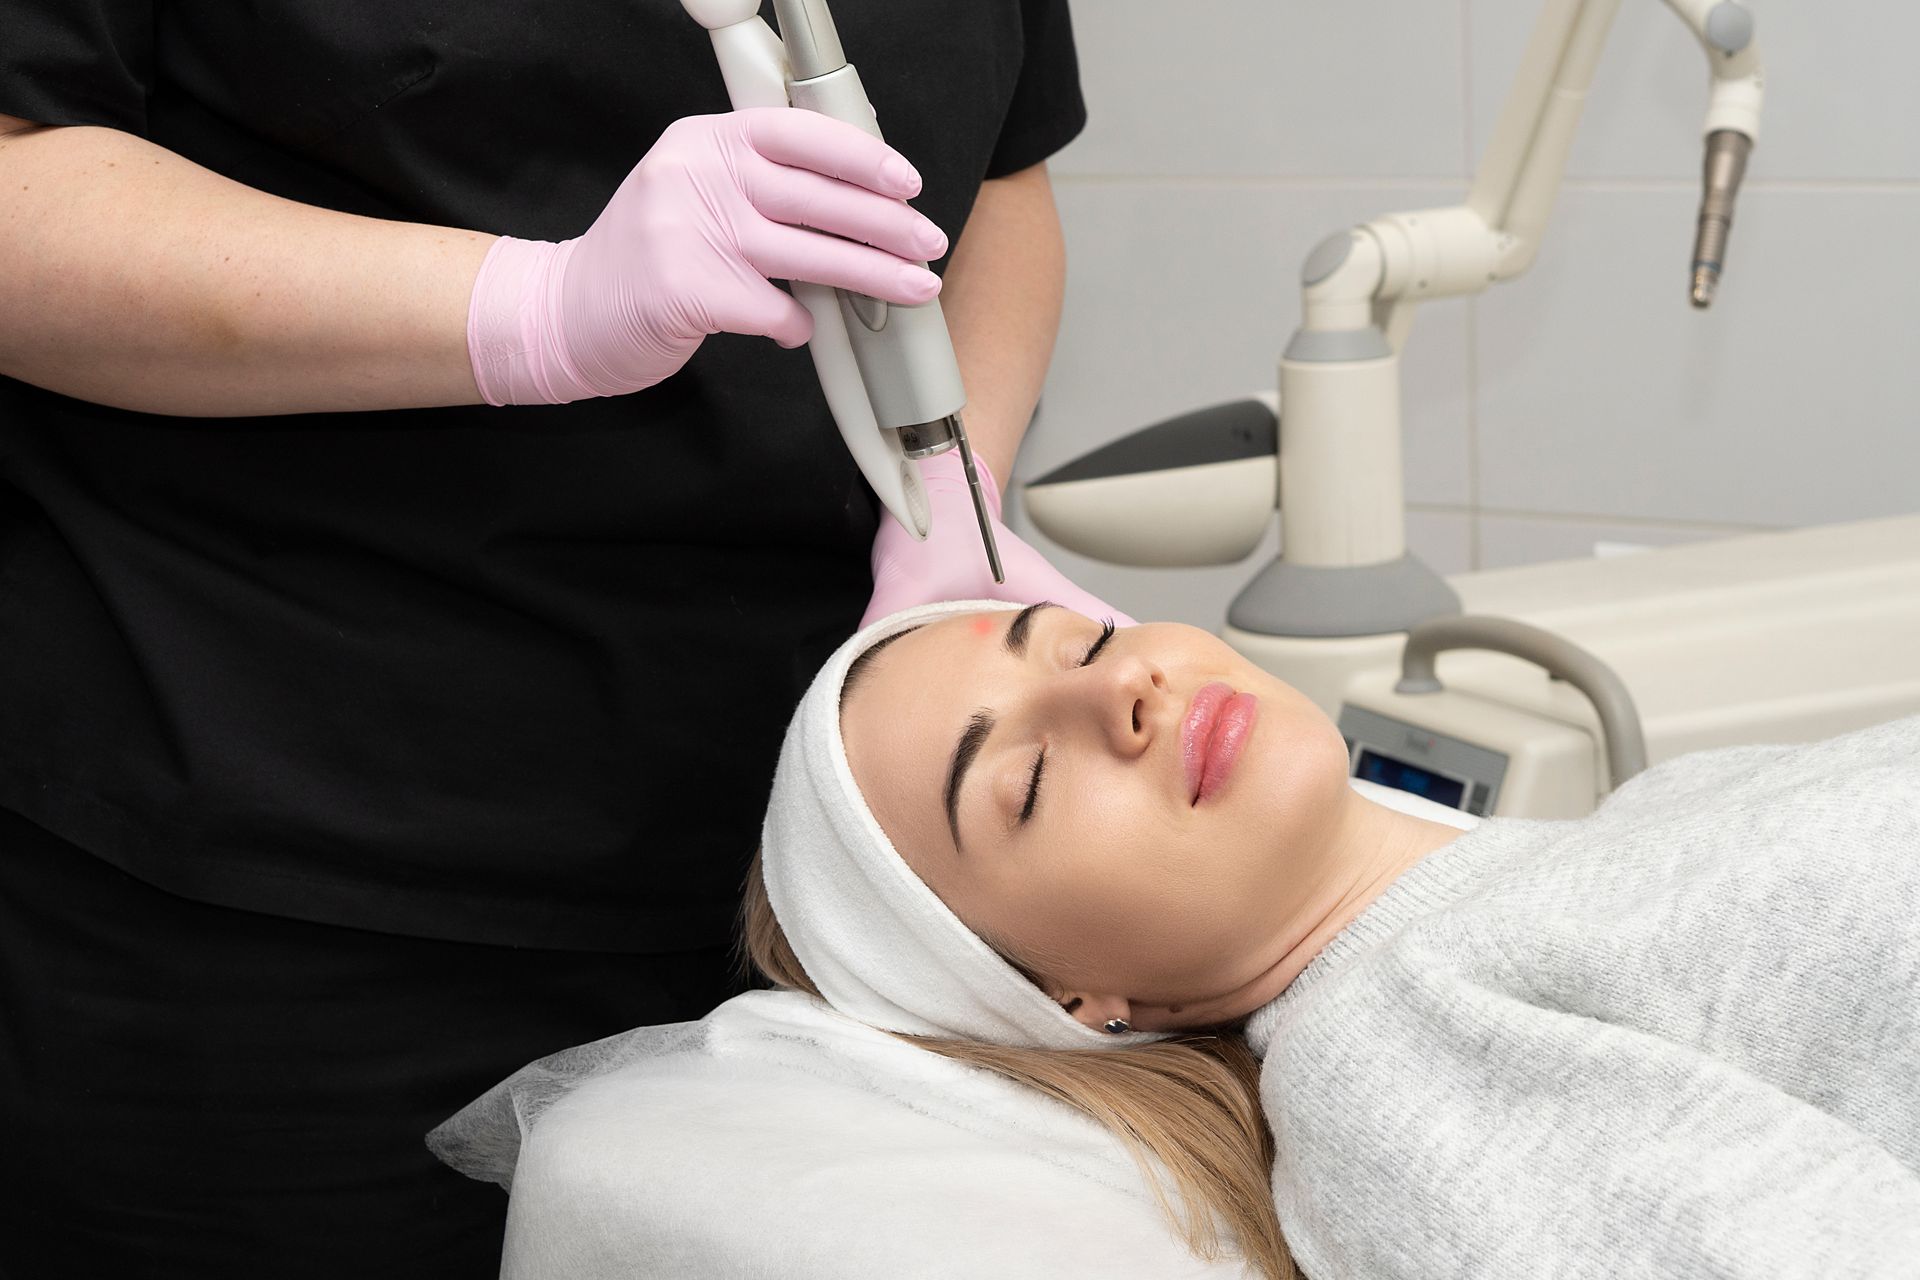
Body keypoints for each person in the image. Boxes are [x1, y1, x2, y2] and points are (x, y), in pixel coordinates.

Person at [0, 3, 1122, 1274]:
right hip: (280, 885)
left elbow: (1004, 179)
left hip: (824, 904)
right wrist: (528, 308)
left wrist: (945, 486)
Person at [743, 599, 1920, 1280]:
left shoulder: (1605, 839)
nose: (1129, 688)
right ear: (1074, 995)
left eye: (1088, 641)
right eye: (1030, 779)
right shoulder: (1390, 1071)